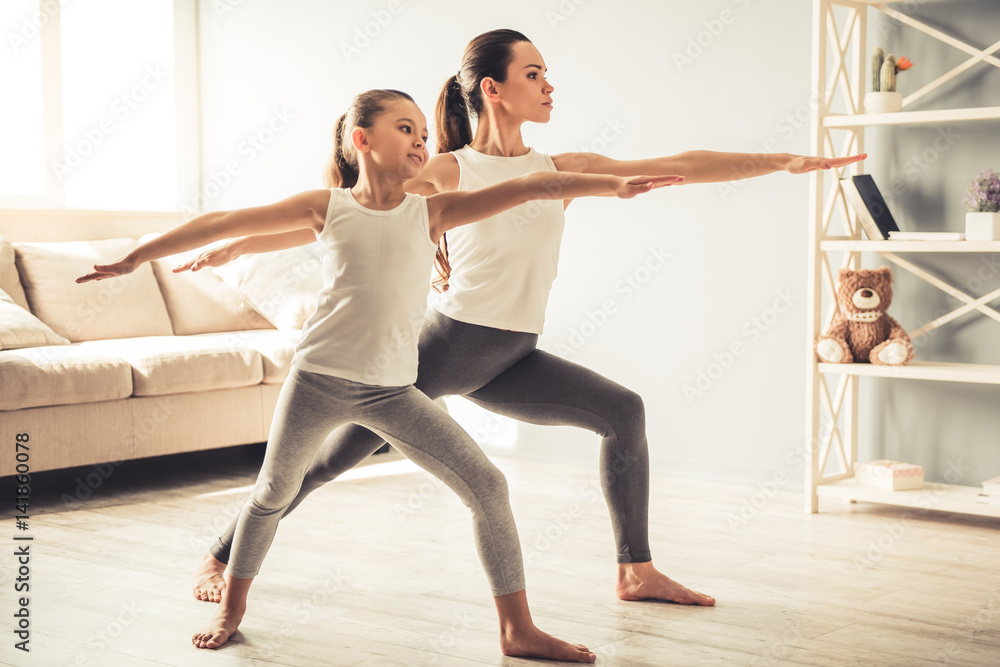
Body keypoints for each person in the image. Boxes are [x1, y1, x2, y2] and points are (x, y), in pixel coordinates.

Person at [186, 29, 866, 611]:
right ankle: (222, 554)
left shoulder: (562, 168)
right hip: (444, 348)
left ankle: (636, 569)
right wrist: (242, 242)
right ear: (491, 88)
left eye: (547, 74)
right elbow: (347, 212)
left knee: (622, 410)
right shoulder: (448, 171)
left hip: (512, 355)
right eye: (533, 74)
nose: (548, 86)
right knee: (328, 460)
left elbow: (681, 164)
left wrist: (781, 161)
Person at [76, 89, 675, 661]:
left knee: (487, 488)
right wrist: (135, 257)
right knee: (272, 495)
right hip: (317, 382)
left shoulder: (433, 211)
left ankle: (517, 630)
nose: (421, 142)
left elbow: (538, 185)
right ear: (362, 140)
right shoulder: (327, 206)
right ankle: (230, 611)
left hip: (391, 390)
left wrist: (612, 185)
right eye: (406, 130)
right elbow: (226, 220)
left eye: (422, 131)